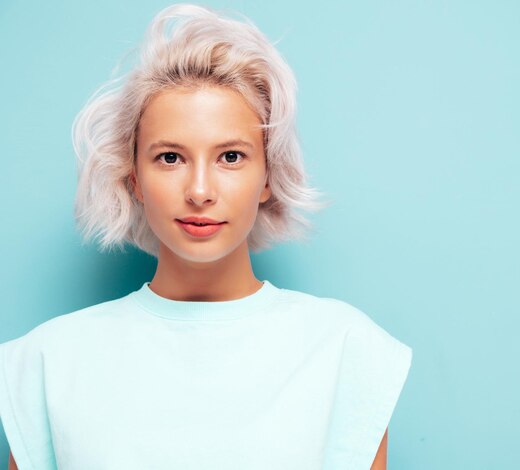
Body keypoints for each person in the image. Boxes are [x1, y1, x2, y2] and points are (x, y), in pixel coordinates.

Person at [0, 4, 412, 469]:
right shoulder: (49, 362)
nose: (199, 191)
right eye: (170, 157)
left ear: (269, 175)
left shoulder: (346, 351)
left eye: (231, 157)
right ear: (133, 177)